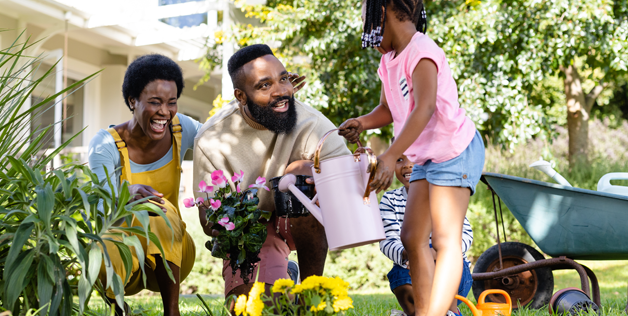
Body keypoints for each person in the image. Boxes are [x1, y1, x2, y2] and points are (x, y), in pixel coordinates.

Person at [338, 0, 486, 315]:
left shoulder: (422, 51)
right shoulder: (389, 61)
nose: (366, 31)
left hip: (453, 150)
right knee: (411, 236)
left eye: (367, 21)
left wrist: (390, 157)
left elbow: (425, 107)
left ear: (384, 12)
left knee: (446, 240)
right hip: (426, 155)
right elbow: (389, 110)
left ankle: (441, 312)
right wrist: (362, 123)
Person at [192, 44, 349, 298]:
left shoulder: (313, 124)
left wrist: (328, 185)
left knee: (304, 173)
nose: (281, 91)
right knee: (252, 308)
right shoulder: (212, 139)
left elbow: (348, 183)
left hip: (302, 222)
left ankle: (311, 292)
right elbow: (207, 219)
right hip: (251, 231)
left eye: (284, 79)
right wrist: (233, 224)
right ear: (241, 96)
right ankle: (284, 273)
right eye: (265, 85)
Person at [88, 54, 200, 316]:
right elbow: (101, 201)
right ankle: (119, 308)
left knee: (156, 210)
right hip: (124, 253)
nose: (165, 111)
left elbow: (221, 137)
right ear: (132, 101)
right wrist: (124, 194)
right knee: (96, 250)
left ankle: (171, 312)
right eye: (154, 102)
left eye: (172, 102)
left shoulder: (181, 128)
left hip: (174, 253)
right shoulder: (105, 144)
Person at [379, 150, 474, 316]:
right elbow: (387, 240)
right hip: (408, 264)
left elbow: (465, 234)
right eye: (400, 159)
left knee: (443, 268)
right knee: (403, 281)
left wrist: (436, 253)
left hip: (448, 263)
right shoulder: (390, 199)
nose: (408, 164)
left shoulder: (445, 195)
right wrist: (409, 254)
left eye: (415, 158)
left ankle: (449, 312)